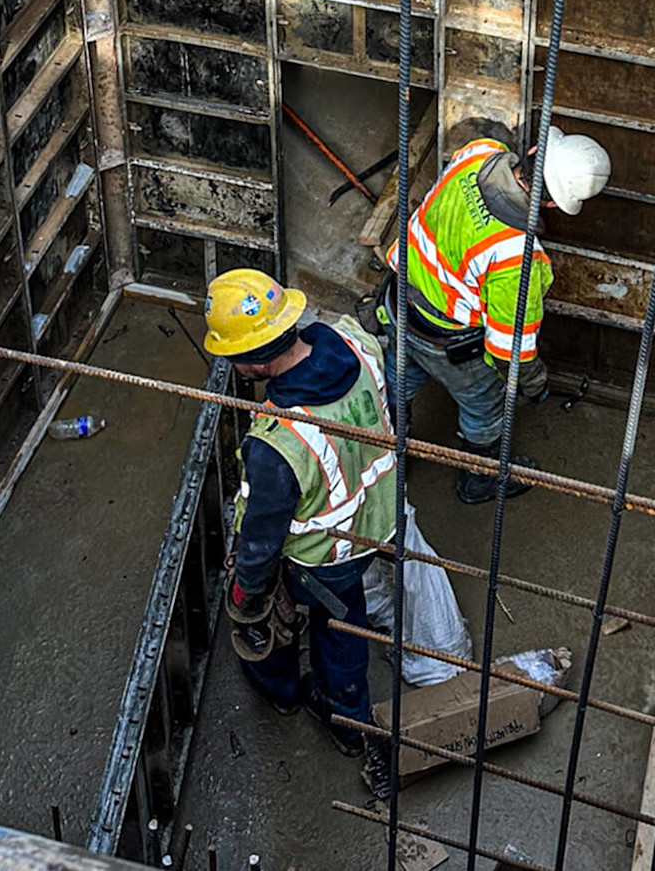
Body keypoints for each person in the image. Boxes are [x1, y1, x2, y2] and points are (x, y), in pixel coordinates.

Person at [203, 268, 395, 794]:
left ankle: (333, 713)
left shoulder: (278, 442)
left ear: (257, 360)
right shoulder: (355, 342)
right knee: (343, 619)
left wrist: (247, 590)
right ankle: (344, 714)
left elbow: (262, 540)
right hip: (375, 517)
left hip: (325, 553)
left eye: (233, 357)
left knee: (329, 628)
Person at [380, 120, 610, 503]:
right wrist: (533, 381)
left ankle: (388, 452)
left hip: (400, 304)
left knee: (396, 381)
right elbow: (508, 350)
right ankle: (479, 481)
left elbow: (473, 135)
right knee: (484, 411)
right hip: (449, 341)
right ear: (553, 203)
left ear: (534, 151)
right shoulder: (517, 259)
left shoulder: (478, 153)